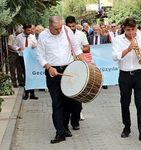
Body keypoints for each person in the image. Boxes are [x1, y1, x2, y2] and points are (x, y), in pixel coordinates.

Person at [36, 16, 86, 144]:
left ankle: (64, 127)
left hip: (69, 69)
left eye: (60, 28)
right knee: (57, 103)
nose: (59, 31)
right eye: (56, 29)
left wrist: (85, 64)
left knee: (68, 101)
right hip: (53, 73)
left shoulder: (67, 31)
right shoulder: (43, 36)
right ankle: (60, 132)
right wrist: (48, 67)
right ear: (50, 26)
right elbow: (40, 56)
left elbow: (76, 48)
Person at [112, 17, 141, 142]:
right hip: (124, 75)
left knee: (140, 103)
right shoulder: (118, 39)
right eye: (128, 30)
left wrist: (138, 49)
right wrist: (129, 49)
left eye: (133, 29)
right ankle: (127, 127)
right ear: (124, 28)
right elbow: (115, 57)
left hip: (139, 74)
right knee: (125, 103)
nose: (131, 33)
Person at [65, 16, 90, 130]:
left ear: (76, 25)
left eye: (73, 26)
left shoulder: (81, 34)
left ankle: (75, 120)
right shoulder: (61, 35)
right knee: (66, 94)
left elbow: (87, 48)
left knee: (78, 95)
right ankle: (67, 117)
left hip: (78, 66)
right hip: (65, 67)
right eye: (69, 26)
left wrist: (77, 49)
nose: (71, 28)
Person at [15, 24, 39, 100]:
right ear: (24, 29)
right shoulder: (19, 37)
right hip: (22, 57)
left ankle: (32, 94)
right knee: (26, 74)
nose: (30, 31)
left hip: (31, 57)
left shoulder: (32, 36)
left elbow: (36, 45)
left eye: (30, 30)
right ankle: (26, 93)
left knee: (31, 74)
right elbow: (14, 45)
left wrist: (35, 45)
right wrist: (18, 48)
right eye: (28, 30)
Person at [88, 24, 110, 89]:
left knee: (102, 70)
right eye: (94, 30)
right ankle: (94, 84)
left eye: (97, 29)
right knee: (94, 70)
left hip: (102, 56)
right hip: (93, 57)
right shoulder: (89, 38)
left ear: (100, 30)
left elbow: (107, 47)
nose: (96, 31)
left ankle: (104, 83)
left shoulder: (104, 37)